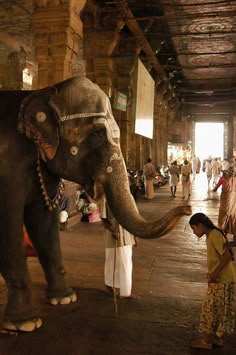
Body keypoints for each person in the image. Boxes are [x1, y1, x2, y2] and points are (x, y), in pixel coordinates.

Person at [189, 213, 236, 350]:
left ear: (201, 226)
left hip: (221, 280)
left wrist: (214, 273)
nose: (193, 232)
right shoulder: (212, 235)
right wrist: (211, 272)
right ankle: (218, 339)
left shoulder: (214, 235)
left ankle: (206, 341)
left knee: (210, 309)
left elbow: (227, 256)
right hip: (226, 278)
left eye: (194, 228)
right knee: (221, 310)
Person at [101, 197, 138, 299]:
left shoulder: (128, 196)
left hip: (127, 235)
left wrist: (135, 235)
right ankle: (109, 285)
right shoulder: (107, 197)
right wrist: (112, 230)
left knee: (126, 264)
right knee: (111, 262)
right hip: (113, 237)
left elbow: (134, 217)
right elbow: (104, 219)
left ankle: (126, 292)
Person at [212, 167, 236, 245]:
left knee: (223, 219)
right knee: (233, 218)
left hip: (226, 202)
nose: (232, 173)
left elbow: (216, 188)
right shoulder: (234, 179)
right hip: (232, 202)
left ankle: (221, 237)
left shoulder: (223, 178)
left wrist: (215, 189)